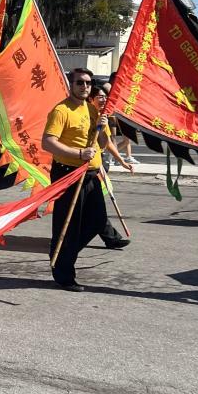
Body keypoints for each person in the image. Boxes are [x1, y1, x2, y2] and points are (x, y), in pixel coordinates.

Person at [42, 69, 112, 291]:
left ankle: (62, 253)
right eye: (80, 83)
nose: (85, 87)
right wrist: (79, 153)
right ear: (70, 84)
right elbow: (48, 142)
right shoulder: (61, 110)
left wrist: (102, 126)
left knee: (97, 221)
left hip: (91, 174)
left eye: (89, 83)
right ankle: (64, 274)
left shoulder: (92, 109)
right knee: (68, 225)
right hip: (68, 172)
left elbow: (101, 144)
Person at [90, 82, 133, 250]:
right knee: (93, 205)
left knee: (93, 205)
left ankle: (110, 237)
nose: (103, 100)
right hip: (81, 166)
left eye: (105, 97)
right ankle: (110, 237)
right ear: (91, 98)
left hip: (96, 165)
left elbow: (106, 143)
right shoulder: (86, 114)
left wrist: (122, 161)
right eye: (100, 97)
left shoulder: (103, 116)